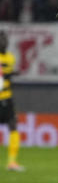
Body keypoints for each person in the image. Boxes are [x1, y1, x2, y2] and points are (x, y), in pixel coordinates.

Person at [0, 31, 25, 171]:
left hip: (7, 98)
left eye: (5, 39)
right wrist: (11, 74)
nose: (4, 42)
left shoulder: (11, 58)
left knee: (13, 125)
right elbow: (3, 75)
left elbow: (5, 78)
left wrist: (11, 76)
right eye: (1, 39)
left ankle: (12, 162)